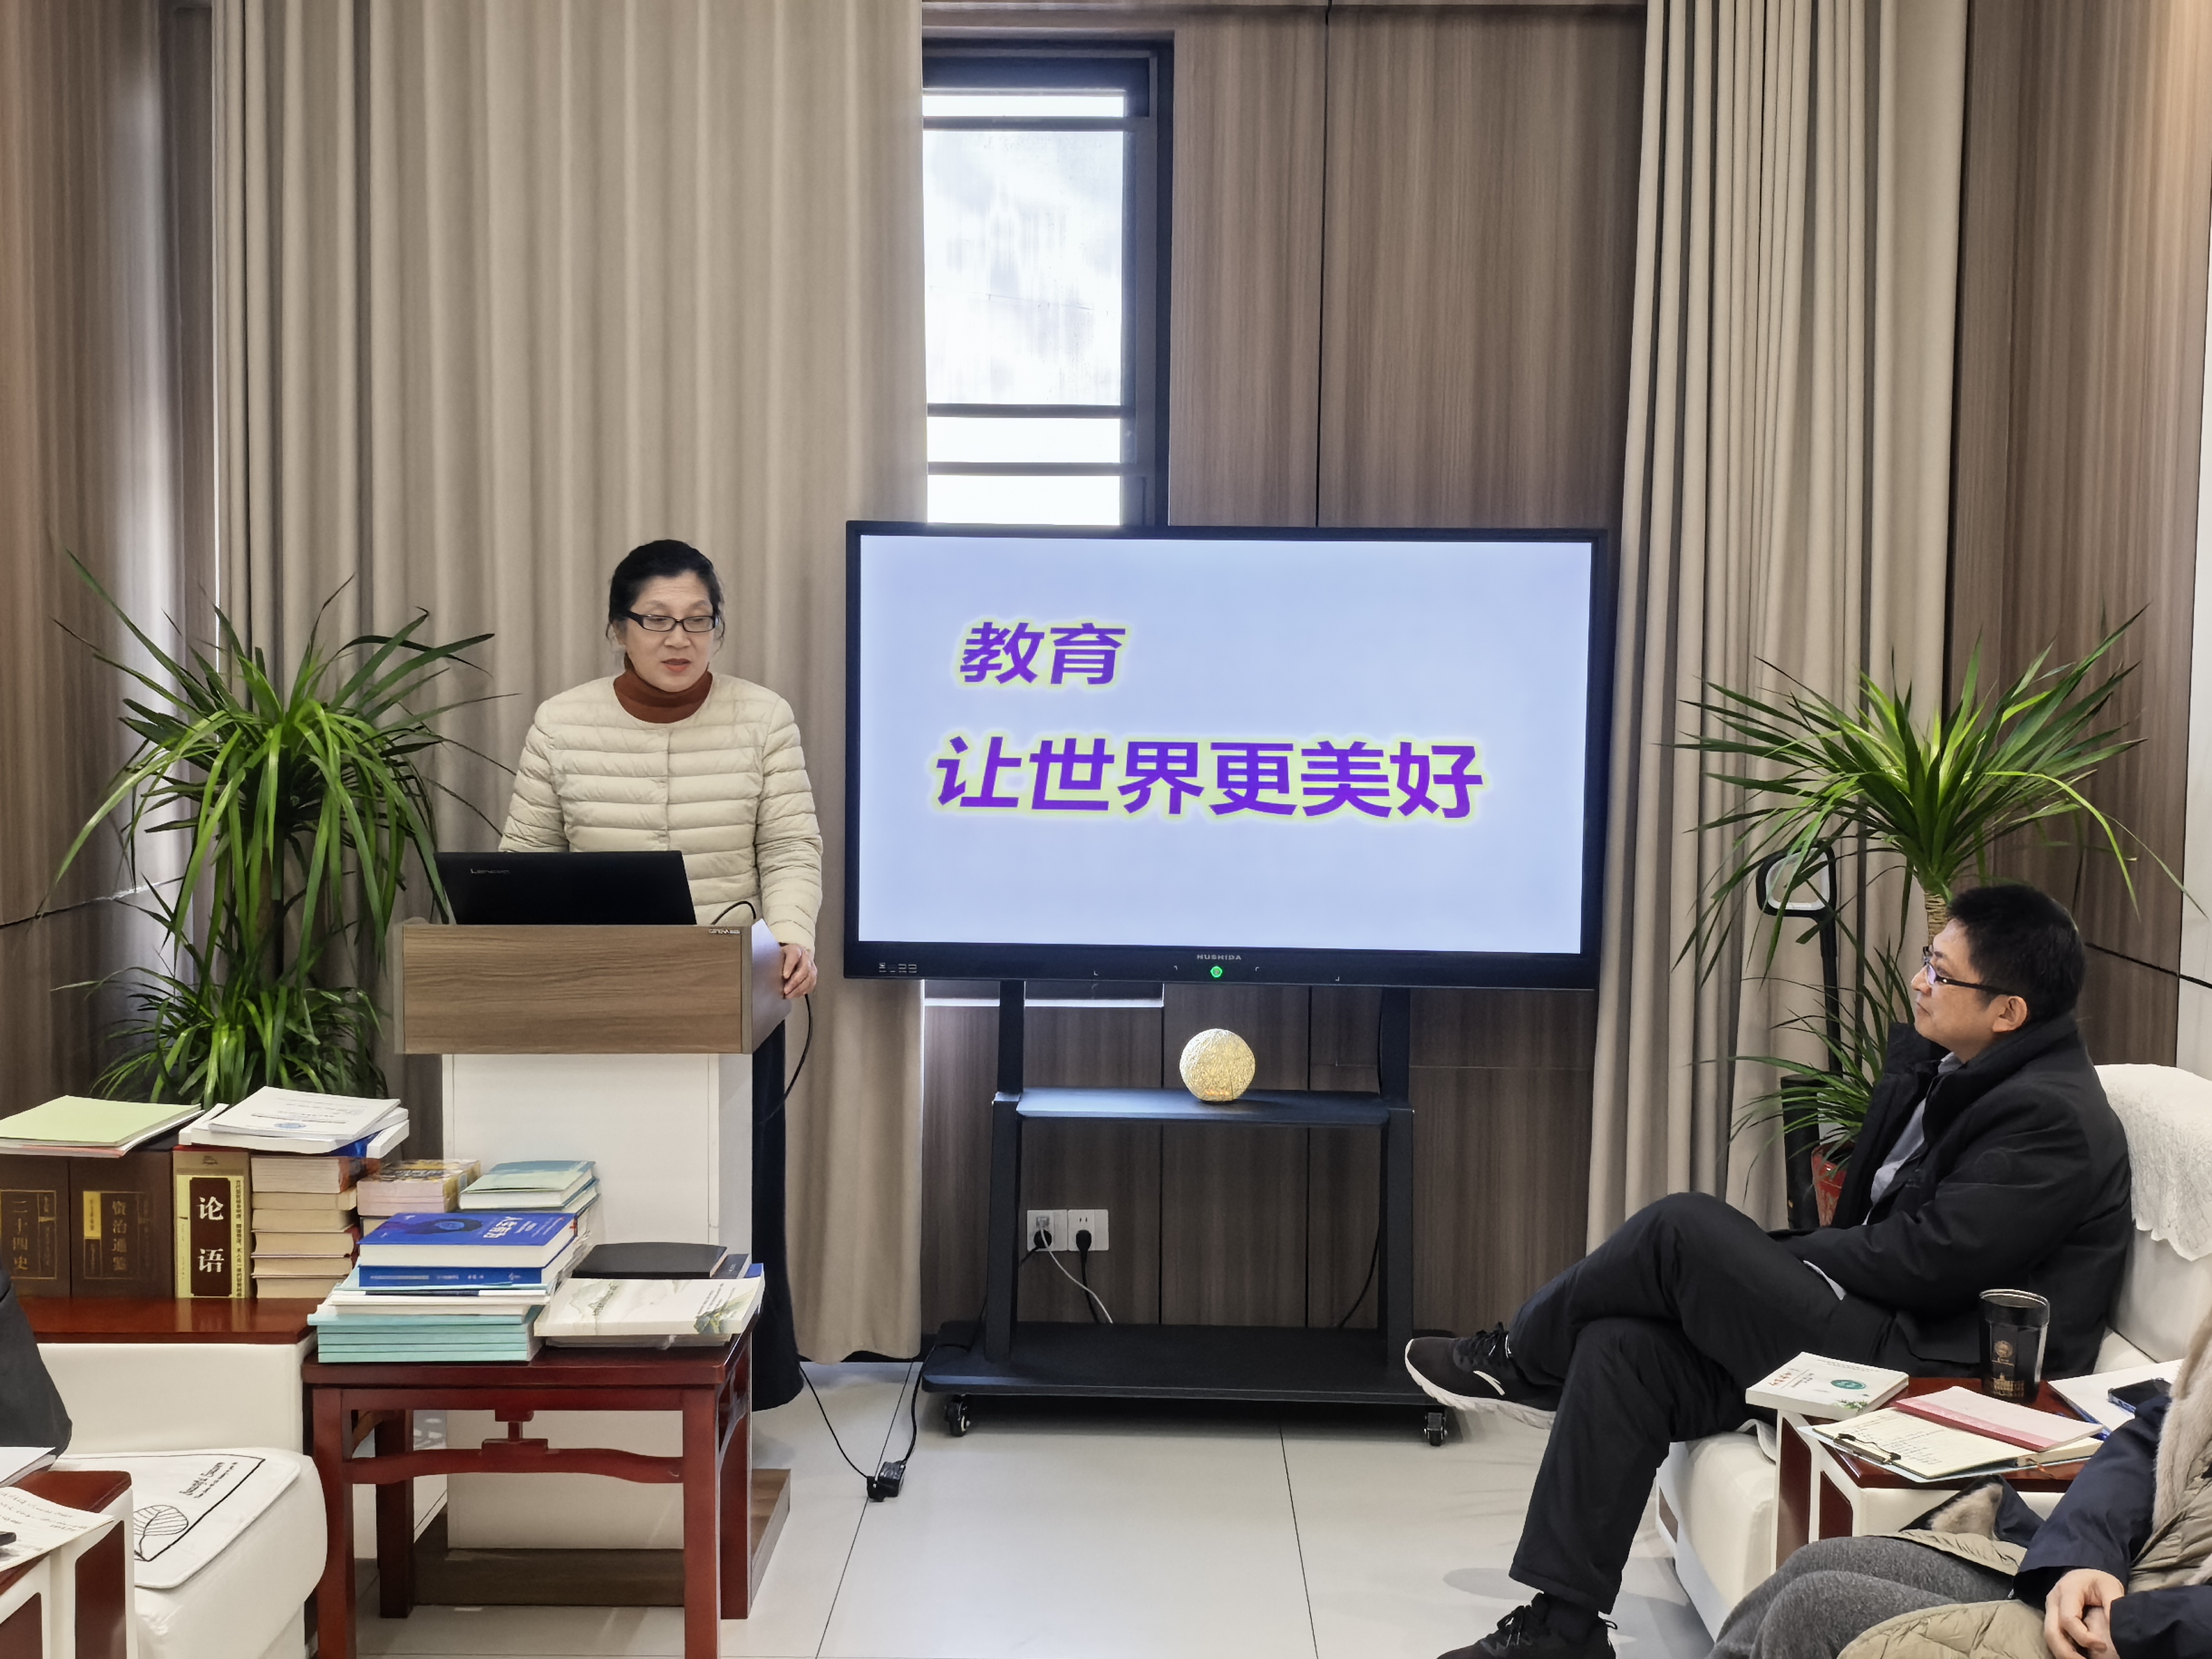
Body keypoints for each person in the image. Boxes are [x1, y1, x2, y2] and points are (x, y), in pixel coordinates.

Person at [1404, 883, 2133, 1659]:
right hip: (1882, 1322)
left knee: (1682, 1229)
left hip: (1933, 1368)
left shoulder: (2052, 1118)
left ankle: (1518, 1358)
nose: (1920, 982)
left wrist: (1783, 1259)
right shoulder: (1961, 1065)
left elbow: (1928, 1260)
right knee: (1621, 1348)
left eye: (1942, 974)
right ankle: (1562, 1632)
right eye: (1928, 960)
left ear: (2009, 1012)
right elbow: (1877, 1224)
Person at [500, 538, 822, 1406]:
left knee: (737, 1194)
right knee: (620, 1193)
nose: (679, 639)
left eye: (698, 621)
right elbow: (523, 857)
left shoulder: (763, 717)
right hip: (598, 999)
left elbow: (791, 846)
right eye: (657, 621)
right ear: (619, 629)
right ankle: (603, 1389)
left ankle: (746, 1388)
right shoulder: (563, 723)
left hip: (732, 995)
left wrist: (793, 934)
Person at [1712, 1304, 2212, 1659]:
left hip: (2150, 1630)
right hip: (2118, 1579)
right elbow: (2152, 1434)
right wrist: (2086, 1558)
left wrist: (2132, 1626)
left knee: (1815, 1611)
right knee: (1815, 1564)